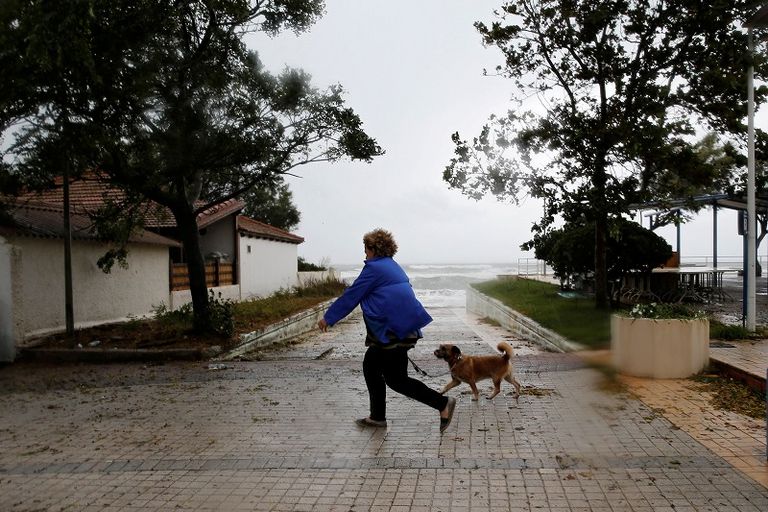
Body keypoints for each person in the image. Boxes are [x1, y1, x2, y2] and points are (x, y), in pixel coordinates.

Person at [317, 228, 456, 433]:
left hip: (390, 331)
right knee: (391, 377)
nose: (364, 254)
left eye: (365, 249)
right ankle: (380, 416)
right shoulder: (393, 266)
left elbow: (352, 295)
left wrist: (329, 317)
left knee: (380, 372)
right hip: (404, 329)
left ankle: (441, 403)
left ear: (373, 249)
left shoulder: (374, 269)